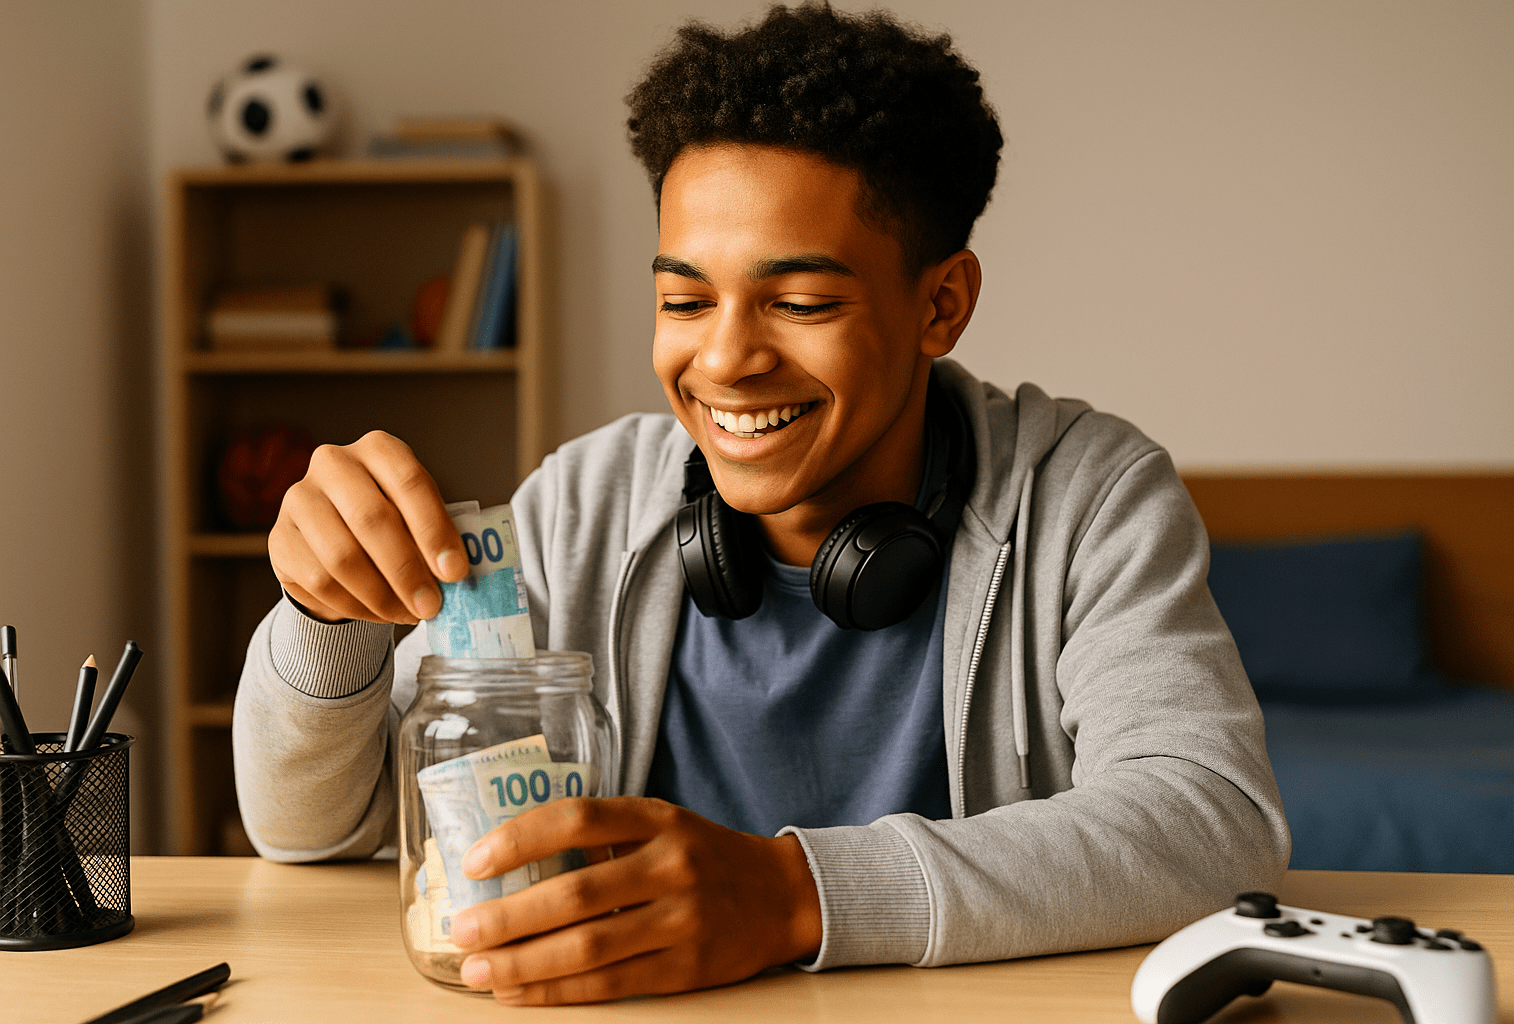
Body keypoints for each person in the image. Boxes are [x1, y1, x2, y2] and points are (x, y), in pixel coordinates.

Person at [234, 2, 1289, 1006]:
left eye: (799, 302)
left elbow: (1211, 818)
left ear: (941, 303)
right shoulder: (580, 506)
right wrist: (327, 624)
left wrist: (791, 896)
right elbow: (320, 832)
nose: (727, 359)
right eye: (684, 299)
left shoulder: (1088, 494)